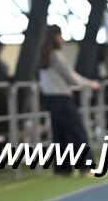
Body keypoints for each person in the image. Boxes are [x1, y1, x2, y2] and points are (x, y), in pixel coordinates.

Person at [38, 25, 99, 175]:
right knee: (77, 132)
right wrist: (89, 83)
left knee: (60, 134)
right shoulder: (56, 55)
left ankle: (63, 169)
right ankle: (86, 167)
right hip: (62, 98)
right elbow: (70, 76)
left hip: (50, 98)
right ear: (56, 36)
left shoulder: (43, 56)